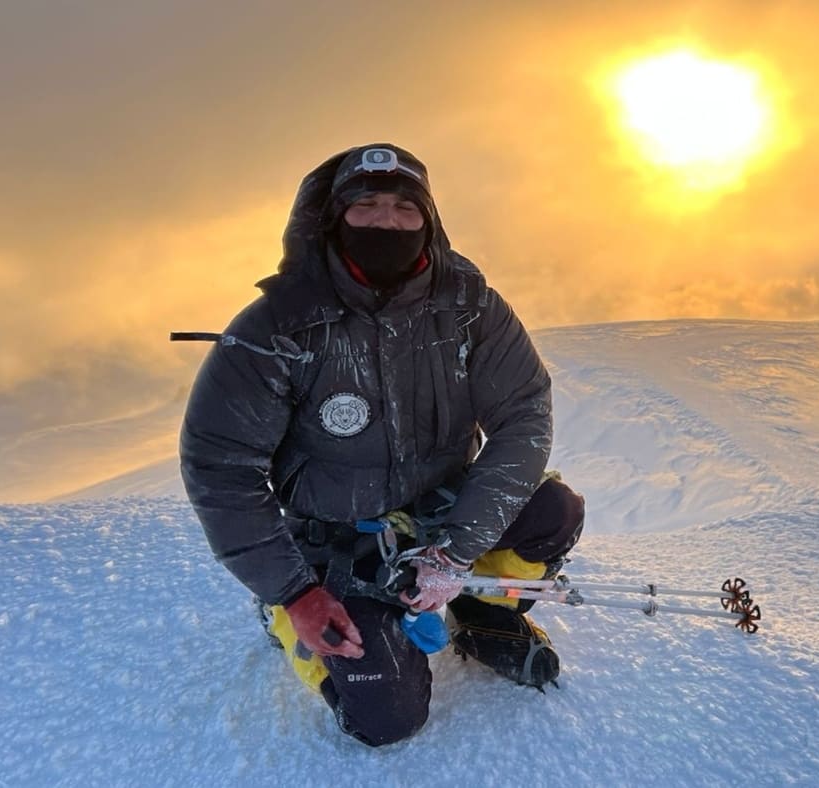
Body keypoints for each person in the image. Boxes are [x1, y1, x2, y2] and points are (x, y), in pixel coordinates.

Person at [180, 143, 584, 747]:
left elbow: (523, 415)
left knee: (554, 512)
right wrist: (294, 592)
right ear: (334, 217)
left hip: (442, 516)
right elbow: (220, 466)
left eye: (403, 207)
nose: (386, 222)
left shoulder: (470, 308)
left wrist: (453, 554)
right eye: (366, 205)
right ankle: (289, 622)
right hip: (340, 536)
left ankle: (480, 611)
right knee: (386, 717)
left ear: (429, 218)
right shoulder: (278, 327)